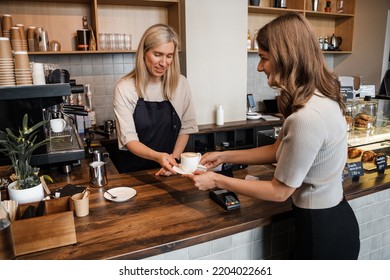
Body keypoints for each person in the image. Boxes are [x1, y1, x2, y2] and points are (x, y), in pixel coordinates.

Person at [184, 13, 360, 260]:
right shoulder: (320, 98)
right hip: (334, 218)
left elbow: (279, 192)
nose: (259, 66)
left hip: (321, 232)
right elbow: (278, 149)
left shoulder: (307, 117)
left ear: (286, 57)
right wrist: (225, 155)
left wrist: (216, 181)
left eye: (263, 58)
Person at [113, 24, 198, 175]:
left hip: (169, 169)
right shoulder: (125, 88)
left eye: (169, 56)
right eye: (158, 54)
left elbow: (186, 128)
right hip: (134, 173)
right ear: (144, 53)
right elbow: (129, 138)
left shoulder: (181, 84)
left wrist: (173, 160)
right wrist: (159, 157)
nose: (164, 63)